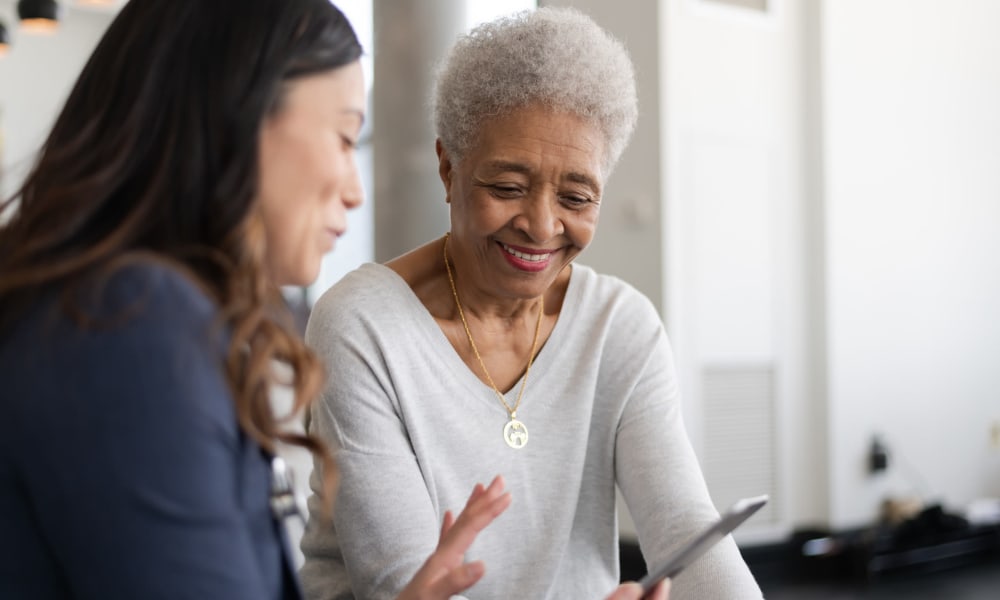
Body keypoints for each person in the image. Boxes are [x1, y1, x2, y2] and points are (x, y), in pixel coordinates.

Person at [0, 2, 514, 599]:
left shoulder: (121, 310)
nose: (353, 190)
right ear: (237, 116)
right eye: (345, 136)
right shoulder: (130, 323)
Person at [299, 6, 762, 600]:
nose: (542, 226)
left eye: (576, 196)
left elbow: (688, 531)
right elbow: (403, 586)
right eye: (507, 188)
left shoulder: (619, 327)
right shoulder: (363, 325)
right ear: (448, 167)